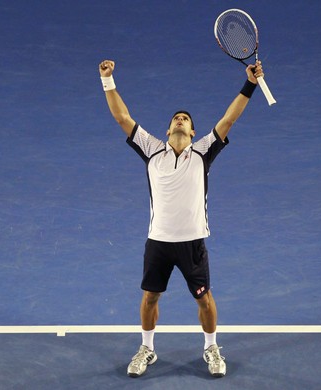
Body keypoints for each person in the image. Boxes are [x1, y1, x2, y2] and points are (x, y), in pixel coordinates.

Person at [98, 58, 264, 378]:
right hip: (158, 241)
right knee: (150, 297)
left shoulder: (203, 152)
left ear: (192, 131)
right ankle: (147, 348)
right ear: (167, 130)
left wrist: (250, 84)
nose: (180, 120)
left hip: (192, 244)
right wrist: (108, 79)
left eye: (185, 119)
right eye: (176, 118)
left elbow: (229, 119)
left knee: (205, 300)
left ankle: (211, 347)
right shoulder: (151, 149)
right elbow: (121, 117)